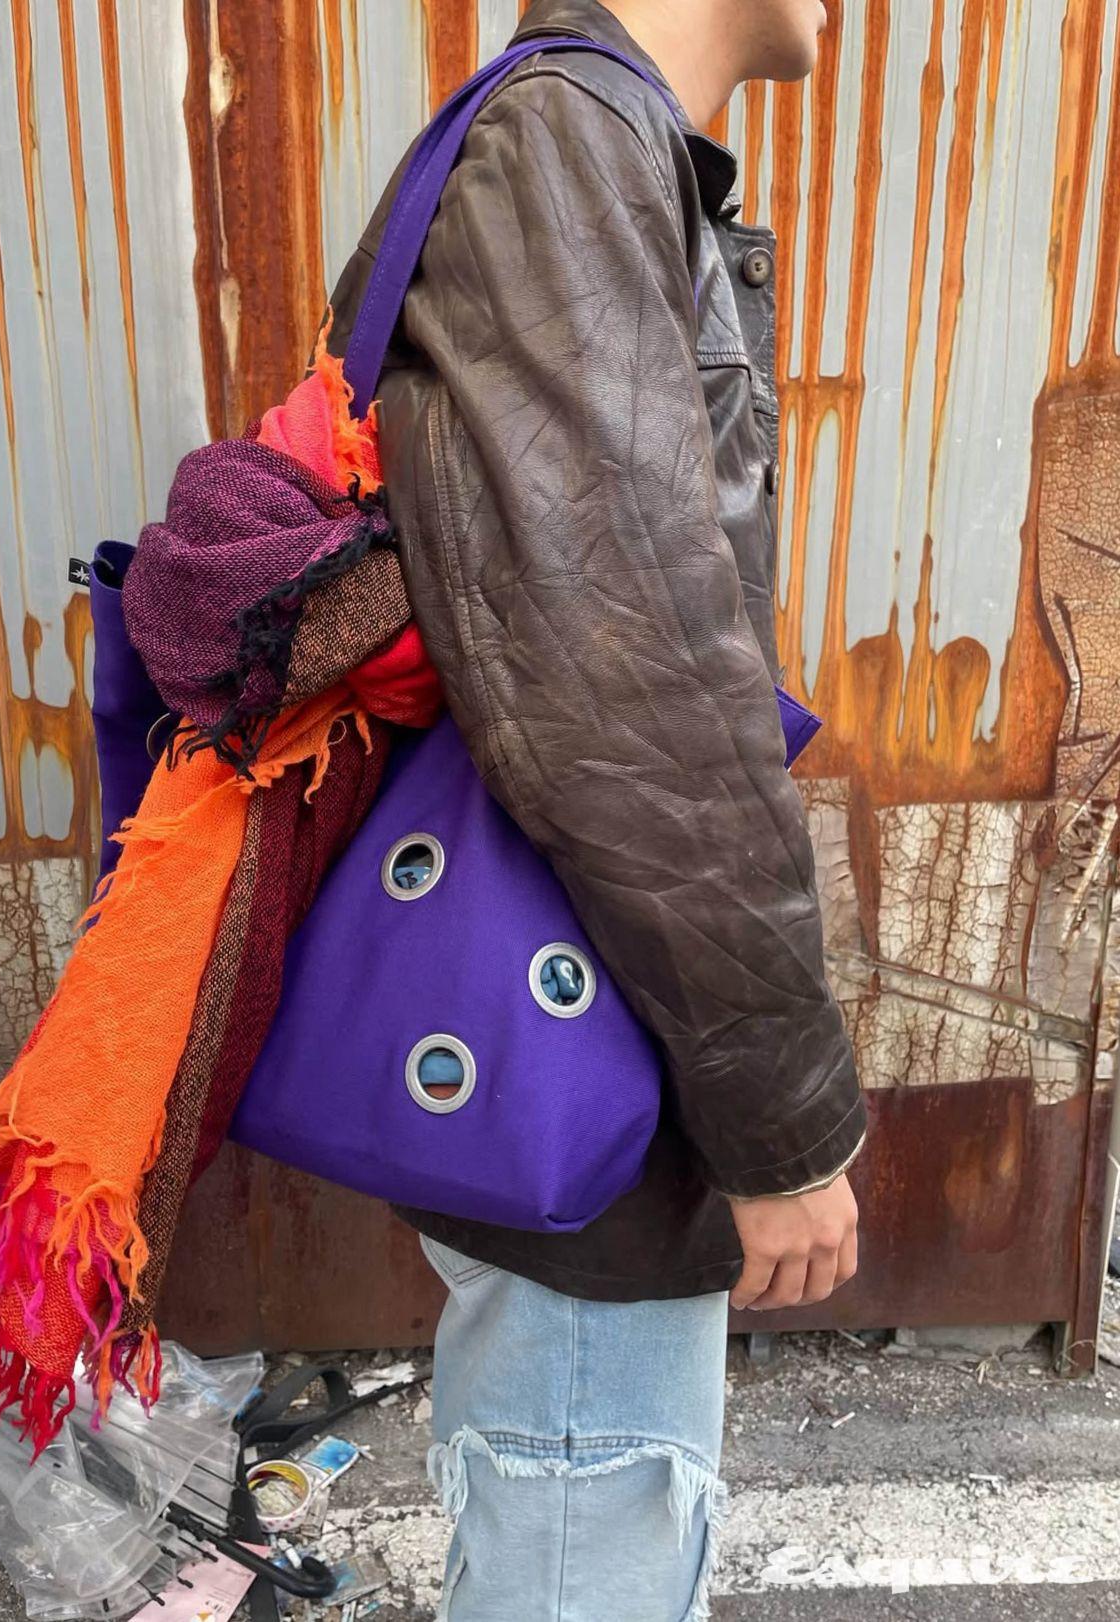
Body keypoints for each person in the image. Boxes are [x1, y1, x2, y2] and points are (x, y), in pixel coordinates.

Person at [329, 1, 865, 1616]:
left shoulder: (592, 146)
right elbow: (631, 705)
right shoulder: (565, 146)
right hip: (590, 1086)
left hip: (595, 1035)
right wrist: (782, 1124)